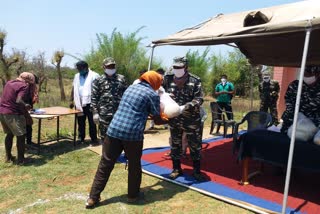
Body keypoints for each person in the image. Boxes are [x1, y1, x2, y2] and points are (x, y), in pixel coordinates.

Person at [86, 70, 165, 209]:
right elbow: (157, 119)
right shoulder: (152, 94)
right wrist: (169, 118)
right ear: (154, 82)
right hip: (132, 135)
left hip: (114, 130)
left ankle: (93, 197)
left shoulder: (130, 88)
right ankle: (133, 196)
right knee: (134, 165)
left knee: (105, 164)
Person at [163, 56, 205, 181]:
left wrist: (185, 107)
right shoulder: (167, 79)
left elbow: (199, 99)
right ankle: (176, 169)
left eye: (179, 67)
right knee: (175, 144)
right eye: (175, 67)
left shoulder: (195, 80)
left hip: (191, 119)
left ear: (186, 67)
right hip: (174, 119)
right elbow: (161, 93)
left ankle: (196, 171)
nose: (177, 69)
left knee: (195, 145)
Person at [0, 72, 35, 165]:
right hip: (13, 113)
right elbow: (18, 100)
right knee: (21, 135)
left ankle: (8, 157)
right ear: (27, 80)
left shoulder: (9, 83)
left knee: (9, 134)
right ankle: (21, 160)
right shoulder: (23, 86)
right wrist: (26, 105)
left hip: (2, 112)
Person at [91, 57, 128, 141]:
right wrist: (95, 113)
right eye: (109, 67)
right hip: (104, 114)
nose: (111, 68)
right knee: (105, 137)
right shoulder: (98, 80)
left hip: (119, 113)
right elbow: (94, 98)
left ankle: (117, 153)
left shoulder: (121, 79)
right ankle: (105, 154)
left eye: (113, 66)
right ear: (103, 67)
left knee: (119, 136)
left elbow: (126, 95)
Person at [281, 65, 320, 134]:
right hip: (291, 122)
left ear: (317, 74)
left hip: (313, 126)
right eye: (305, 73)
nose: (306, 76)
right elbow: (288, 101)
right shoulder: (295, 85)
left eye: (310, 74)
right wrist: (295, 115)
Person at [70, 60, 100, 145]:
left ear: (86, 68)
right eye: (78, 69)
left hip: (90, 102)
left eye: (80, 69)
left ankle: (94, 139)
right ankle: (81, 138)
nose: (79, 71)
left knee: (92, 122)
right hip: (79, 102)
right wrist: (71, 100)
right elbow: (74, 88)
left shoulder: (94, 75)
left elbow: (99, 89)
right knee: (80, 121)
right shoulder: (76, 76)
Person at [26, 73, 39, 146]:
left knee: (29, 126)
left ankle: (29, 141)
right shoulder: (25, 87)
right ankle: (27, 142)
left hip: (29, 107)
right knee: (27, 125)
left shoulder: (32, 88)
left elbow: (32, 100)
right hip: (24, 109)